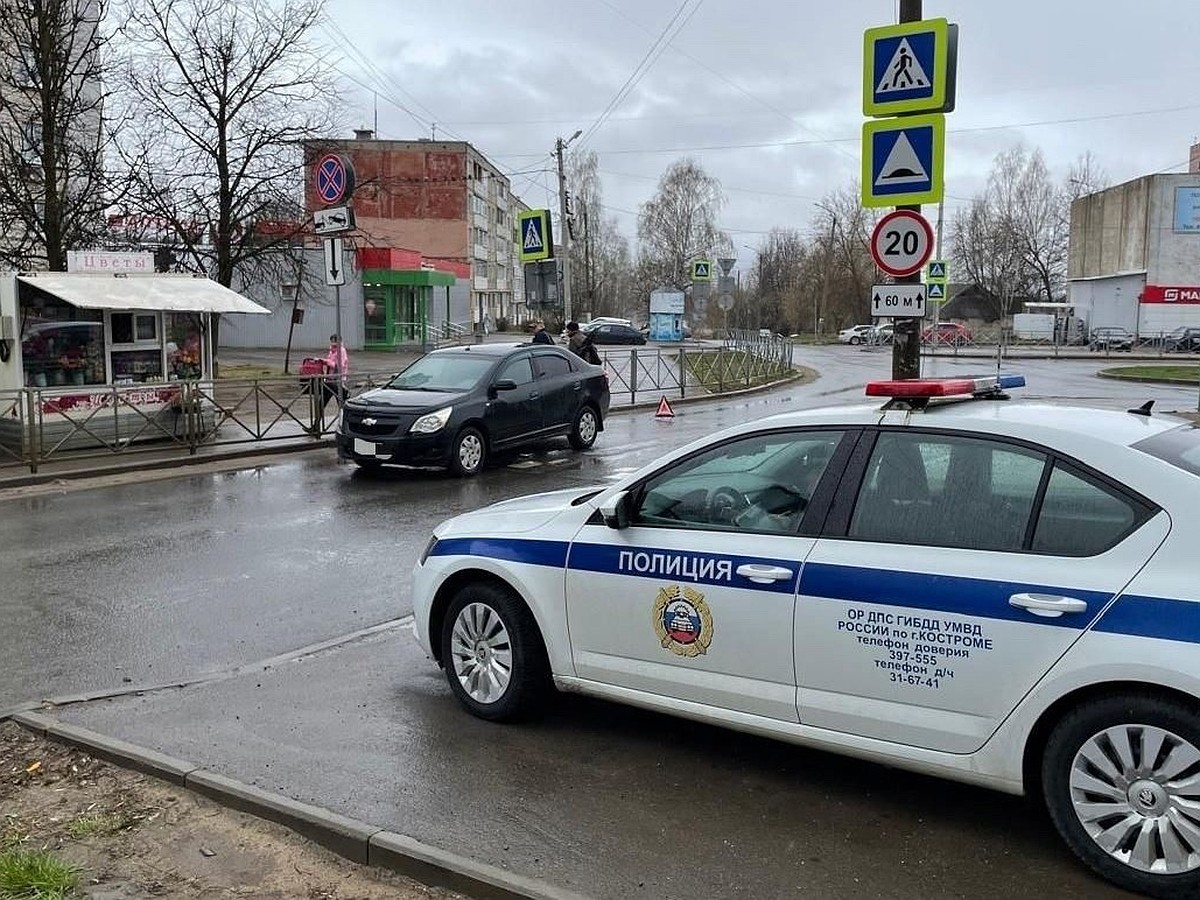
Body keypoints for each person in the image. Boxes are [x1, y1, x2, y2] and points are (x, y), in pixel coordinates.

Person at [322, 334, 349, 406]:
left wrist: (327, 362)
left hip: (338, 379)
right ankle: (318, 416)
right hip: (330, 379)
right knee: (323, 400)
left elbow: (340, 365)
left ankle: (343, 415)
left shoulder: (341, 351)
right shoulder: (331, 351)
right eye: (331, 341)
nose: (333, 343)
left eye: (335, 341)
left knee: (341, 401)